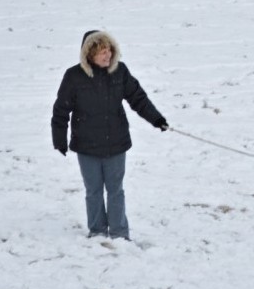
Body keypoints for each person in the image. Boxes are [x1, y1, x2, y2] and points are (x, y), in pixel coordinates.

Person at [51, 30, 168, 240]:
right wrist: (59, 140)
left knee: (116, 191)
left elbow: (138, 99)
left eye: (110, 51)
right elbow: (61, 110)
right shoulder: (74, 76)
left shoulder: (120, 72)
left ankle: (119, 233)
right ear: (90, 55)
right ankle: (96, 231)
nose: (108, 56)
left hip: (116, 143)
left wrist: (156, 119)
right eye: (102, 52)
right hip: (87, 146)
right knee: (94, 191)